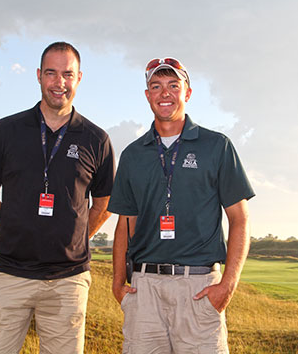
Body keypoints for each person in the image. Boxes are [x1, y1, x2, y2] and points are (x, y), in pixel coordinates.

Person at [0, 42, 115, 354]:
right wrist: (15, 232)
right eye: (51, 73)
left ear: (79, 78)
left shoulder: (97, 139)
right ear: (38, 75)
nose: (59, 82)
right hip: (10, 273)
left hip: (68, 280)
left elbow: (103, 205)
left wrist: (73, 238)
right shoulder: (4, 130)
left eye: (67, 74)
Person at [108, 57, 255, 353]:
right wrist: (117, 284)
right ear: (147, 95)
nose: (165, 93)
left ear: (187, 93)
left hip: (198, 287)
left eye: (173, 85)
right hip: (144, 288)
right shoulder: (133, 154)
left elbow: (239, 219)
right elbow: (125, 222)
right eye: (156, 86)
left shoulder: (217, 146)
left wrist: (227, 286)